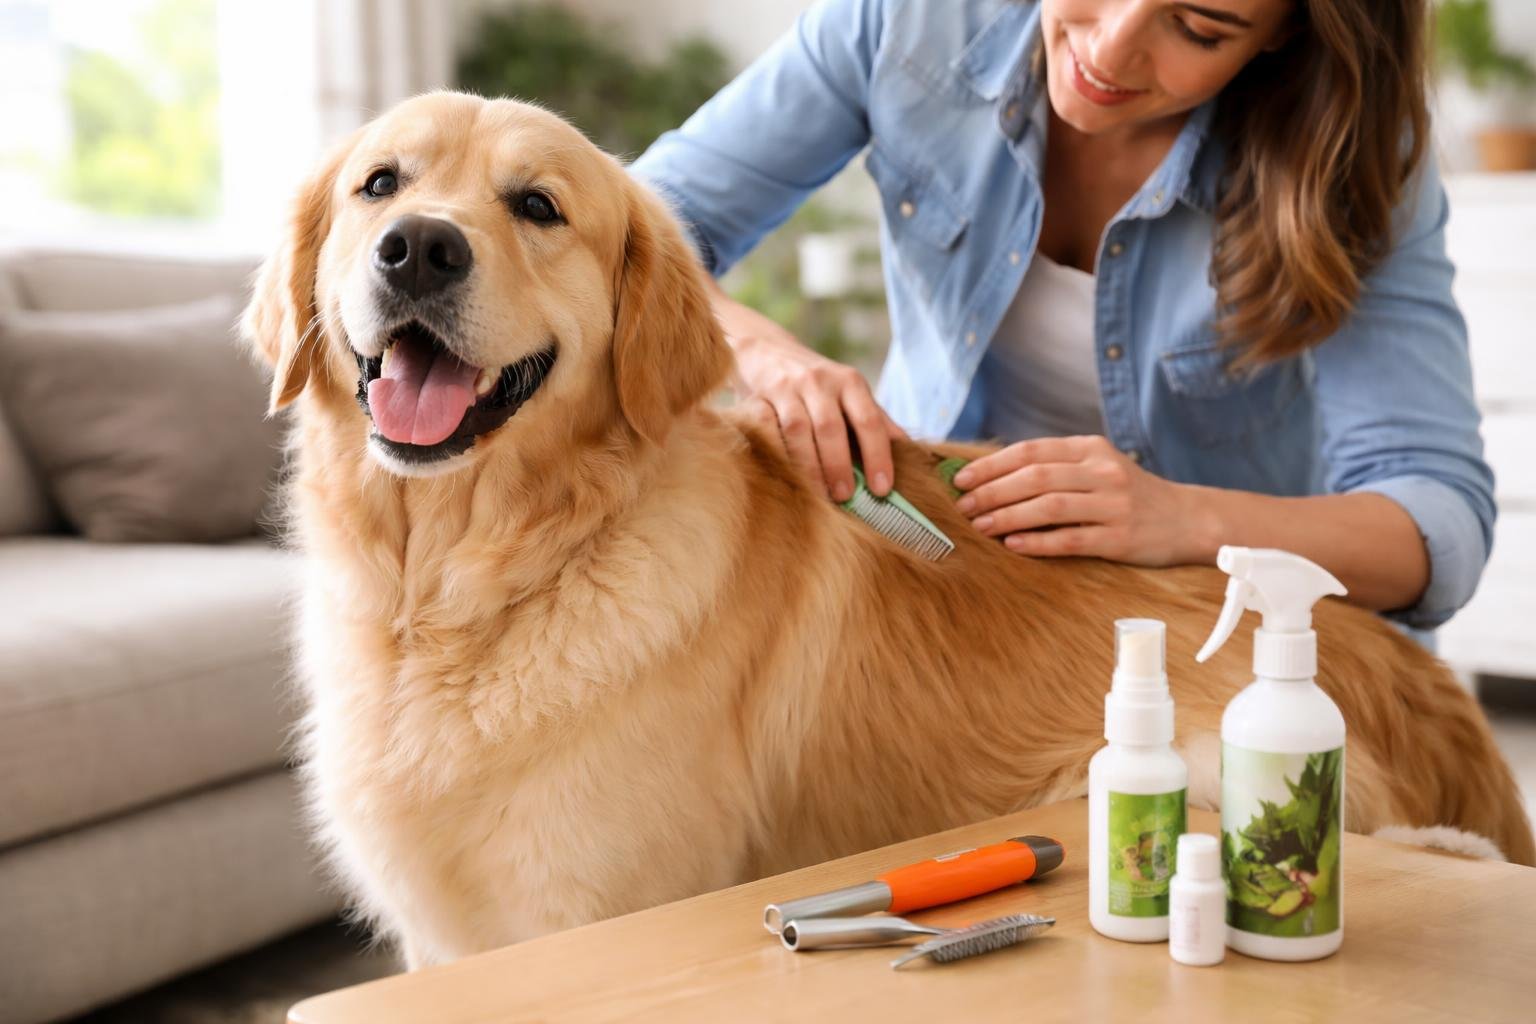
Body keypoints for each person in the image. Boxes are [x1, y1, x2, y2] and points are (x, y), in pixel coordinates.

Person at [629, 0, 1493, 632]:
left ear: (1286, 35)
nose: (1111, 48)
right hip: (950, 594)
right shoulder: (909, 24)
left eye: (1199, 28)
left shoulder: (1352, 156)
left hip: (1222, 641)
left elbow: (1436, 523)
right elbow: (643, 225)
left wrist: (1182, 519)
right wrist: (768, 359)